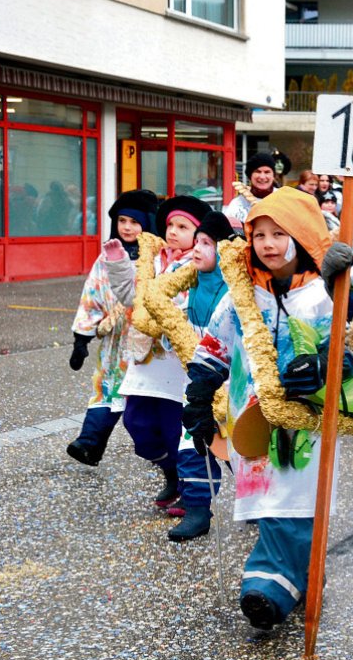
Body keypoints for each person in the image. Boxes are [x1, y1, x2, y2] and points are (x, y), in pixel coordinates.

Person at [181, 186, 353, 629]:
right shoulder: (243, 295)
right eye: (258, 234)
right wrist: (199, 398)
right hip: (251, 418)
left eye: (279, 233)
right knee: (266, 502)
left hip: (307, 422)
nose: (268, 243)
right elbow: (214, 347)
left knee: (294, 505)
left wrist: (325, 361)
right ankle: (298, 577)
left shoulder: (323, 294)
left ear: (302, 236)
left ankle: (267, 587)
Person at [105, 195, 212, 509]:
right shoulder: (153, 261)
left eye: (183, 227)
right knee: (136, 422)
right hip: (146, 359)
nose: (173, 232)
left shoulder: (200, 266)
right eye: (170, 225)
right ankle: (171, 473)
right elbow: (131, 298)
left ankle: (190, 492)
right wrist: (117, 264)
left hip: (178, 363)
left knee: (175, 430)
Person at [65, 189, 159, 466]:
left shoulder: (158, 259)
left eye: (135, 222)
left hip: (149, 343)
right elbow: (92, 295)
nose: (127, 227)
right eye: (122, 221)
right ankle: (89, 443)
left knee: (146, 400)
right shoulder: (106, 258)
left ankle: (165, 455)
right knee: (106, 388)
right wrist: (81, 338)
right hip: (115, 342)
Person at [162, 211, 239, 542]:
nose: (196, 249)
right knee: (192, 444)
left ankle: (261, 503)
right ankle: (197, 511)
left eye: (206, 243)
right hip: (198, 382)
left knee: (240, 450)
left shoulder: (237, 288)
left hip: (233, 386)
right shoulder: (187, 281)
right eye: (196, 242)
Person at [224, 153, 280, 227]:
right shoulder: (237, 205)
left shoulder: (284, 199)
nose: (262, 177)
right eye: (258, 172)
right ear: (250, 176)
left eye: (267, 172)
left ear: (273, 176)